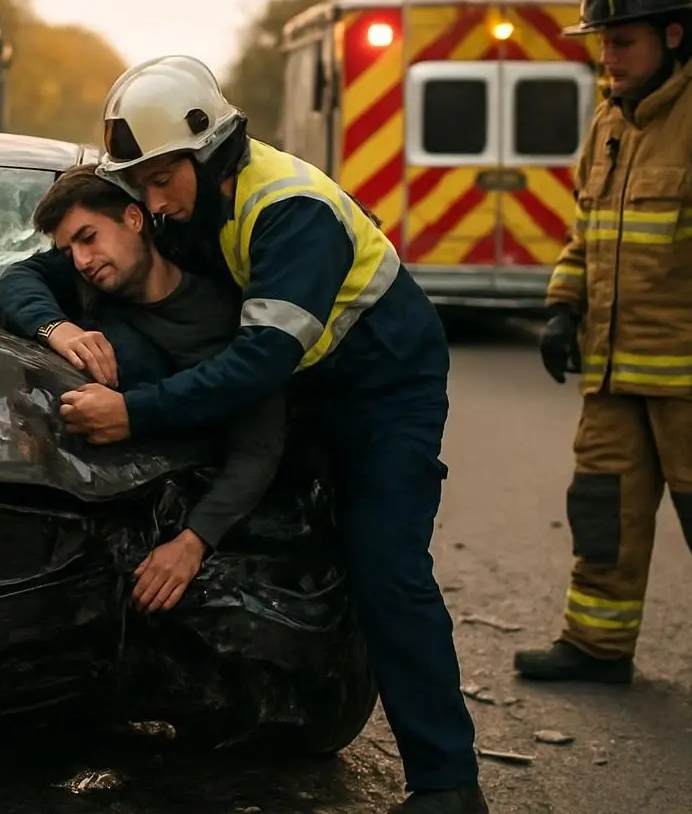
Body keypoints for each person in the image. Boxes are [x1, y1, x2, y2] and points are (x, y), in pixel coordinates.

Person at [49, 55, 486, 814]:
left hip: (382, 390)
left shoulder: (291, 211)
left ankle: (446, 783)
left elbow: (257, 364)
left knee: (385, 565)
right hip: (302, 383)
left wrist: (135, 412)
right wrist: (51, 322)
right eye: (140, 186)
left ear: (207, 150)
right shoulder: (182, 207)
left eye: (160, 180)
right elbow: (33, 274)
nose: (151, 203)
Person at [0, 164, 288, 612]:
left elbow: (257, 447)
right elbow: (13, 283)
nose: (82, 261)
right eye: (68, 250)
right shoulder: (83, 284)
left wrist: (193, 542)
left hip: (175, 524)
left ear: (134, 218)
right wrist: (57, 329)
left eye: (88, 238)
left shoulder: (220, 318)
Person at [513, 0, 692, 685]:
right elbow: (584, 232)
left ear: (672, 37)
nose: (608, 58)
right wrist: (562, 304)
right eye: (602, 44)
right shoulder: (607, 126)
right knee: (601, 513)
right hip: (612, 374)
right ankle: (596, 645)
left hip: (686, 378)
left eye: (622, 42)